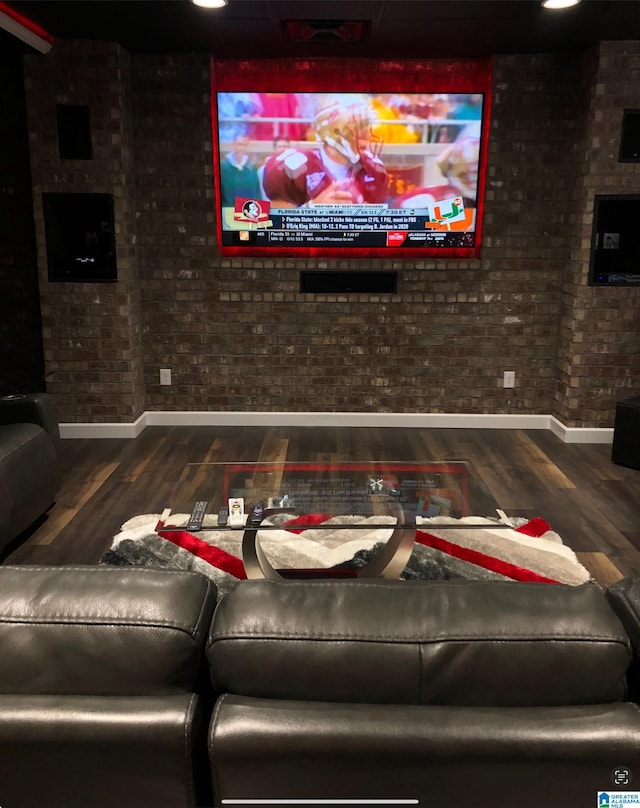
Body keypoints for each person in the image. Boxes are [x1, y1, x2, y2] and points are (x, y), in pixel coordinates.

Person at [262, 98, 388, 207]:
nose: (368, 137)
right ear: (335, 132)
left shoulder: (374, 170)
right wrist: (311, 210)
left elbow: (376, 231)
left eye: (368, 126)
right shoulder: (291, 168)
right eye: (359, 128)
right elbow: (273, 226)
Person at [220, 134, 262, 207]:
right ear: (233, 145)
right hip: (228, 212)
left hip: (248, 214)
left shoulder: (252, 169)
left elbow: (257, 193)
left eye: (245, 145)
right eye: (240, 144)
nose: (242, 148)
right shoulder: (223, 167)